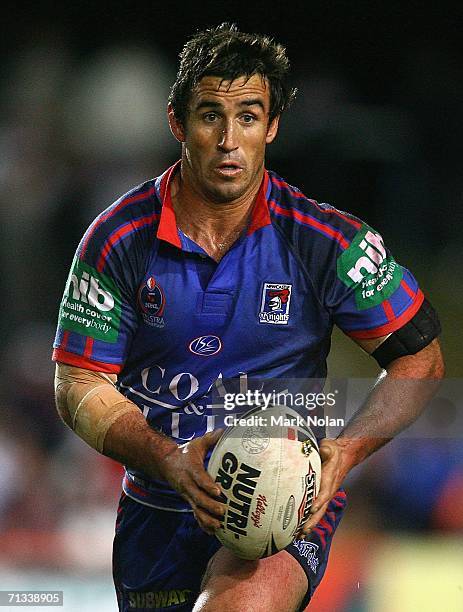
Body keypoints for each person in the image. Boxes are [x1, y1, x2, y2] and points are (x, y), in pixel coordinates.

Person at [52, 23, 444, 611]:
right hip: (158, 503)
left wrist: (346, 452)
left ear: (273, 126)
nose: (230, 139)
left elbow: (421, 357)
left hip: (281, 504)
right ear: (177, 123)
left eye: (250, 117)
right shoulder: (118, 239)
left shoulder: (324, 241)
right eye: (211, 115)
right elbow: (77, 382)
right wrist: (169, 459)